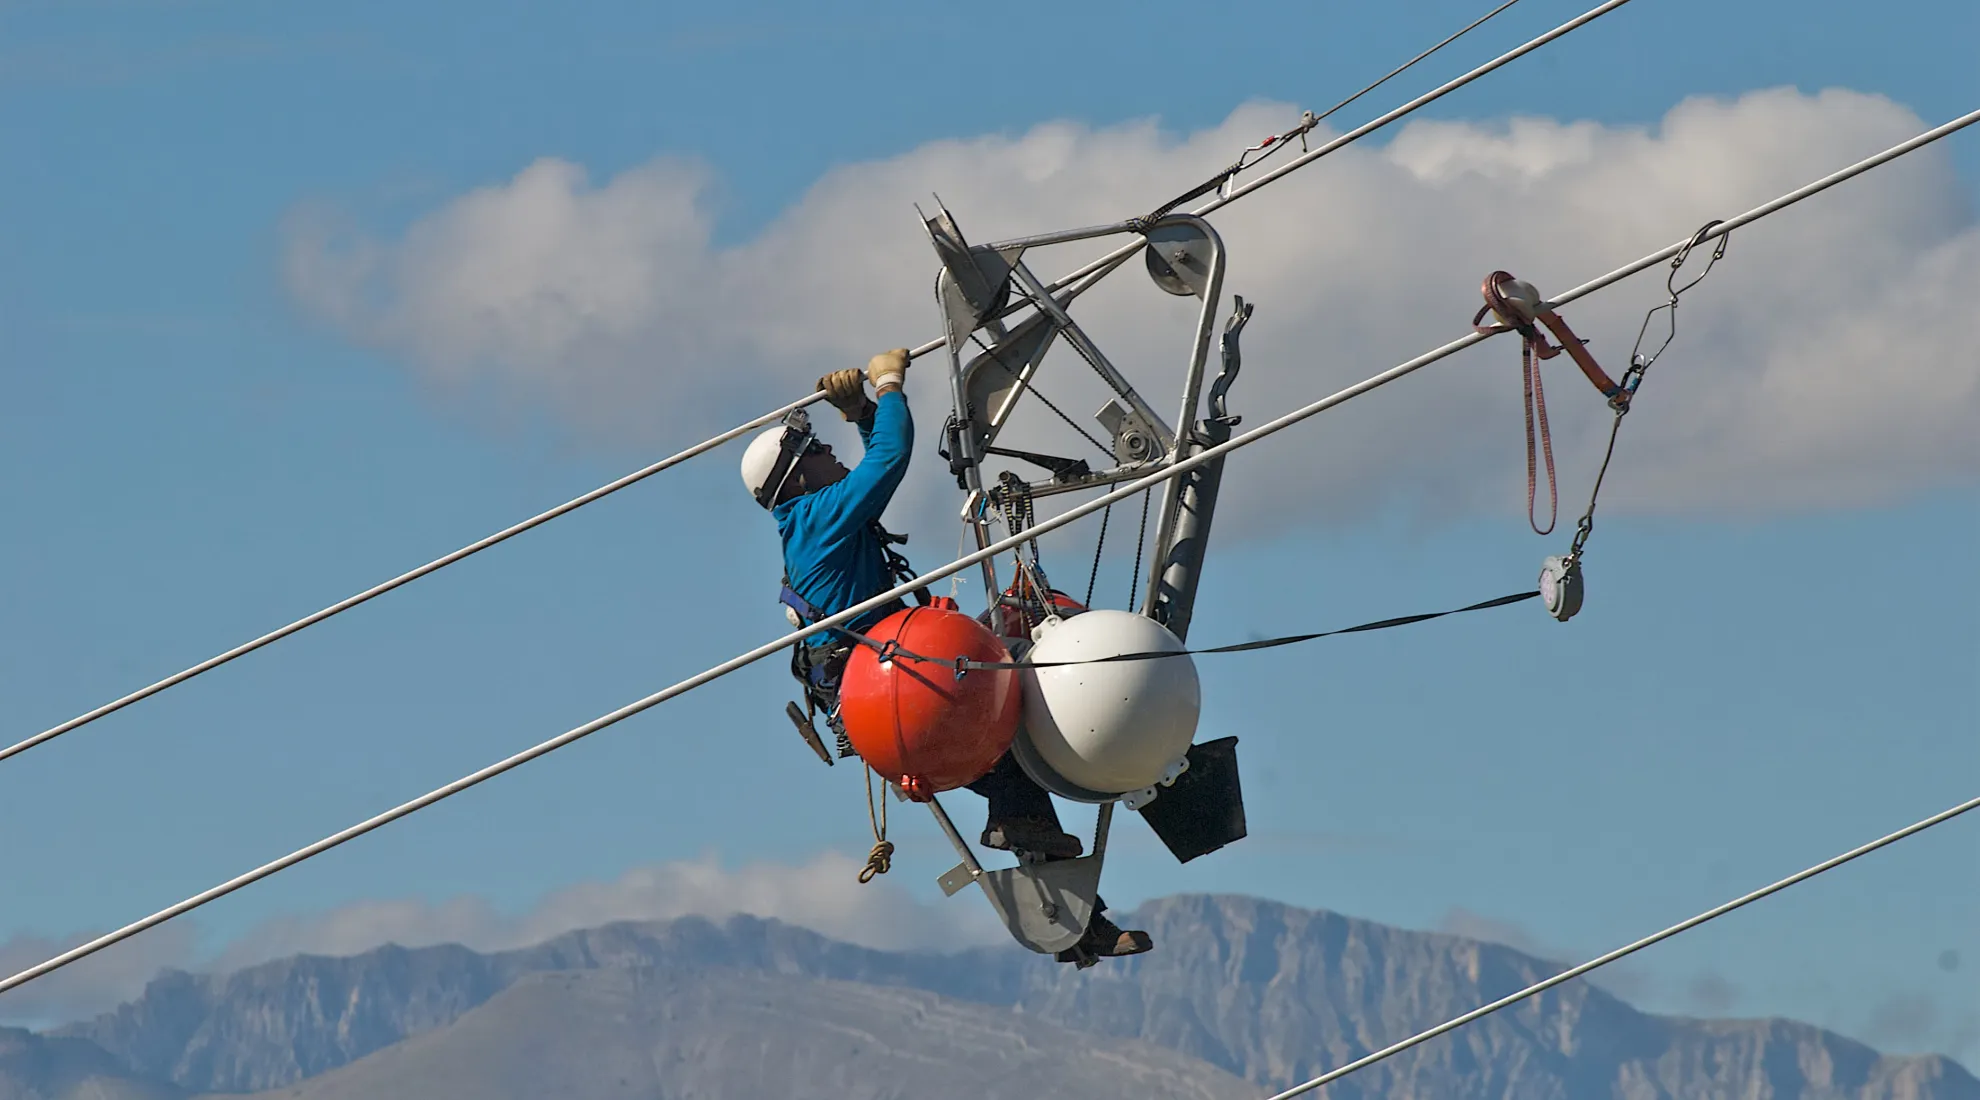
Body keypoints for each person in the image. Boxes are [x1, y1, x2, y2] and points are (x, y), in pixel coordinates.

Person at [741, 349, 1151, 964]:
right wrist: (887, 389)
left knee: (1007, 764)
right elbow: (887, 462)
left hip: (886, 691)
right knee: (1015, 717)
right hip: (893, 684)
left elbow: (867, 468)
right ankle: (1071, 891)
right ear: (798, 476)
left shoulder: (810, 521)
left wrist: (858, 413)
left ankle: (1074, 924)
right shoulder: (817, 517)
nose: (832, 457)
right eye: (820, 452)